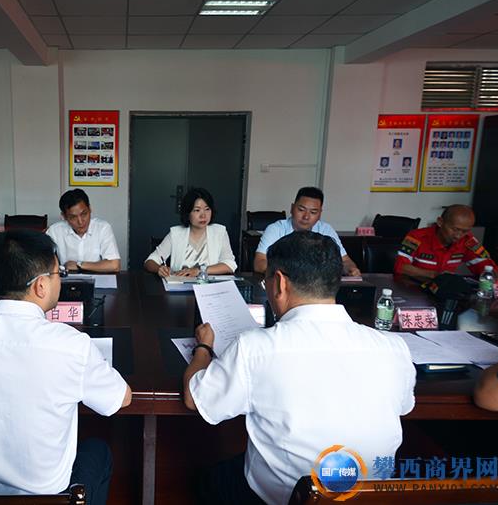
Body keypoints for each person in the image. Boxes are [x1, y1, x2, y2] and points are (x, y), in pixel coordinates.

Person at [183, 232, 415, 504]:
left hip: (285, 498)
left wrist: (204, 347)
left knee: (206, 478)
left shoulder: (255, 348)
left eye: (267, 280)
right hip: (368, 497)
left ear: (280, 283)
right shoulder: (393, 347)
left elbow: (195, 399)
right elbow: (404, 407)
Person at [0, 230, 131, 504]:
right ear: (41, 286)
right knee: (98, 451)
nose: (59, 280)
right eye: (57, 274)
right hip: (47, 498)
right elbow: (120, 399)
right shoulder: (72, 345)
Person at [253, 186, 361, 276]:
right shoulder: (276, 229)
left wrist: (351, 269)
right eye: (301, 210)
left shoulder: (326, 230)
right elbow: (259, 263)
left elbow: (345, 261)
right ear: (292, 208)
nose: (306, 217)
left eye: (313, 212)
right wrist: (292, 273)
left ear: (320, 214)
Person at [144, 187, 236, 277]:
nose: (203, 215)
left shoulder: (219, 232)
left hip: (209, 286)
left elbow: (230, 264)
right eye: (197, 210)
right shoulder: (175, 234)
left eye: (207, 209)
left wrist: (199, 271)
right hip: (180, 285)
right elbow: (150, 261)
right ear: (187, 213)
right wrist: (159, 269)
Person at [394, 205, 498, 281]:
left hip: (445, 291)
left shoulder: (468, 241)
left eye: (465, 231)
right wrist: (435, 275)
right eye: (455, 229)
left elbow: (487, 268)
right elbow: (401, 267)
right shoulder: (416, 237)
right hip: (414, 289)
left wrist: (494, 276)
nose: (458, 235)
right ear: (440, 222)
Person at [46, 188, 120, 273]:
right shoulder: (54, 231)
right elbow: (41, 262)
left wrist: (79, 265)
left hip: (98, 278)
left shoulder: (102, 228)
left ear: (90, 209)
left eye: (84, 214)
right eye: (73, 217)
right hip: (67, 279)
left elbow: (114, 265)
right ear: (64, 216)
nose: (80, 222)